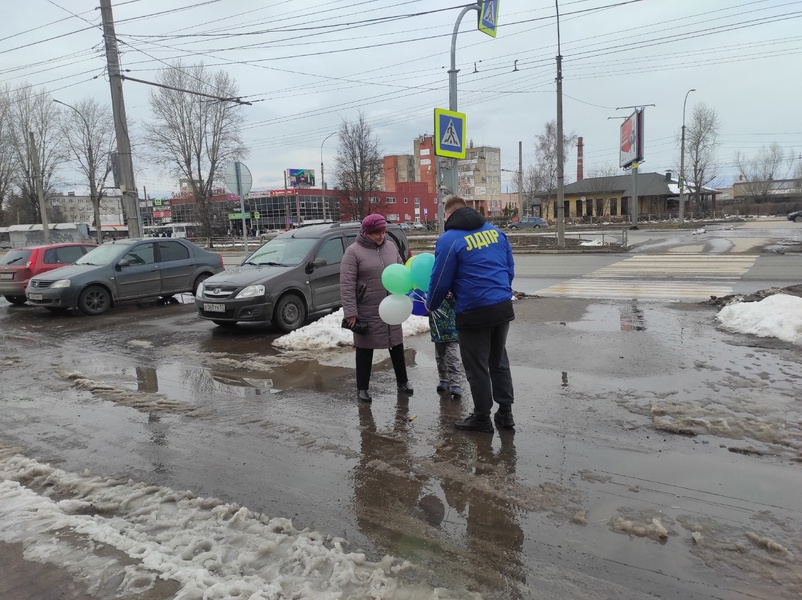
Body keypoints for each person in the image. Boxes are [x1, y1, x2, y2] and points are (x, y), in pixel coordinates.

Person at [427, 195, 515, 433]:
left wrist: (431, 303)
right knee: (499, 361)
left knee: (476, 367)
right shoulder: (496, 233)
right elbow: (509, 269)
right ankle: (506, 413)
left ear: (447, 215)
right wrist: (499, 294)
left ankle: (482, 418)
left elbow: (440, 278)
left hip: (473, 311)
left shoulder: (449, 240)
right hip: (502, 306)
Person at [340, 213, 413, 403]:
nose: (381, 236)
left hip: (392, 306)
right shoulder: (353, 252)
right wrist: (351, 313)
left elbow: (400, 272)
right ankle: (362, 389)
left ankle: (402, 382)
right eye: (376, 233)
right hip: (367, 308)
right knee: (365, 349)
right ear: (366, 232)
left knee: (396, 344)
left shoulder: (390, 246)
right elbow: (347, 285)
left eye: (383, 232)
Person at [429, 292, 463, 399]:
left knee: (452, 357)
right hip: (437, 331)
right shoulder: (430, 294)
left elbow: (458, 305)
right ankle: (443, 379)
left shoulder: (452, 292)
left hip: (452, 330)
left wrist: (451, 297)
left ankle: (455, 384)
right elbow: (424, 308)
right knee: (440, 357)